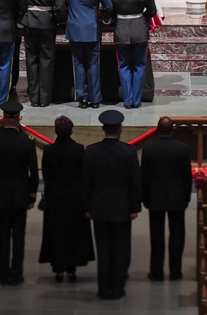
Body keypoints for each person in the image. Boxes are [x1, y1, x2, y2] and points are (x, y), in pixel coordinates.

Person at [83, 109, 141, 300]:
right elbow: (134, 183)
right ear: (120, 129)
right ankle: (117, 288)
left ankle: (103, 288)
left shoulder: (91, 151)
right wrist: (134, 208)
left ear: (103, 128)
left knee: (103, 249)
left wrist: (87, 207)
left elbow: (86, 183)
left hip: (98, 207)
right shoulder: (129, 152)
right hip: (122, 207)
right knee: (120, 248)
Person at [0, 99, 39, 286]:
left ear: (3, 119)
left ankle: (3, 274)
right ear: (18, 119)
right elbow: (33, 172)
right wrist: (32, 195)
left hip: (0, 195)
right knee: (19, 237)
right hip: (21, 195)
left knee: (3, 237)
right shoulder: (27, 142)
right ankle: (16, 274)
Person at [39, 115, 94, 281]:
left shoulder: (49, 151)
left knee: (56, 233)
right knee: (73, 233)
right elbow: (84, 176)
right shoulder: (78, 150)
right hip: (74, 199)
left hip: (55, 198)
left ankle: (58, 268)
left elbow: (46, 175)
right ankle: (71, 268)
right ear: (71, 130)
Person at [141, 116, 192, 282]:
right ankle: (175, 271)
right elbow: (186, 178)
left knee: (156, 236)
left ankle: (156, 272)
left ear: (156, 130)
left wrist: (145, 198)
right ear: (173, 130)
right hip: (177, 198)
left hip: (155, 198)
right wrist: (186, 198)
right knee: (177, 235)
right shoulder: (183, 149)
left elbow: (145, 176)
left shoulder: (149, 148)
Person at [62, 0, 112, 109]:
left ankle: (82, 98)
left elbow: (64, 4)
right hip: (91, 28)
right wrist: (105, 19)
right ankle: (95, 99)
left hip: (75, 28)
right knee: (93, 64)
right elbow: (108, 5)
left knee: (78, 64)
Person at [107, 0, 158, 109]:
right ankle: (137, 100)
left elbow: (110, 11)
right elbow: (152, 11)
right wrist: (143, 20)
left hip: (121, 31)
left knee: (123, 66)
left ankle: (127, 101)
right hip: (140, 31)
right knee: (139, 65)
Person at [21, 0, 67, 107]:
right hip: (47, 24)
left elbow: (19, 1)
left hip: (30, 23)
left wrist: (24, 17)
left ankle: (34, 98)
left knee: (31, 59)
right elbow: (60, 8)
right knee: (47, 60)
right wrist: (56, 20)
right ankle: (45, 99)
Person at [0, 0, 28, 96]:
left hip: (14, 20)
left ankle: (13, 83)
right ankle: (1, 83)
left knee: (14, 54)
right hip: (0, 18)